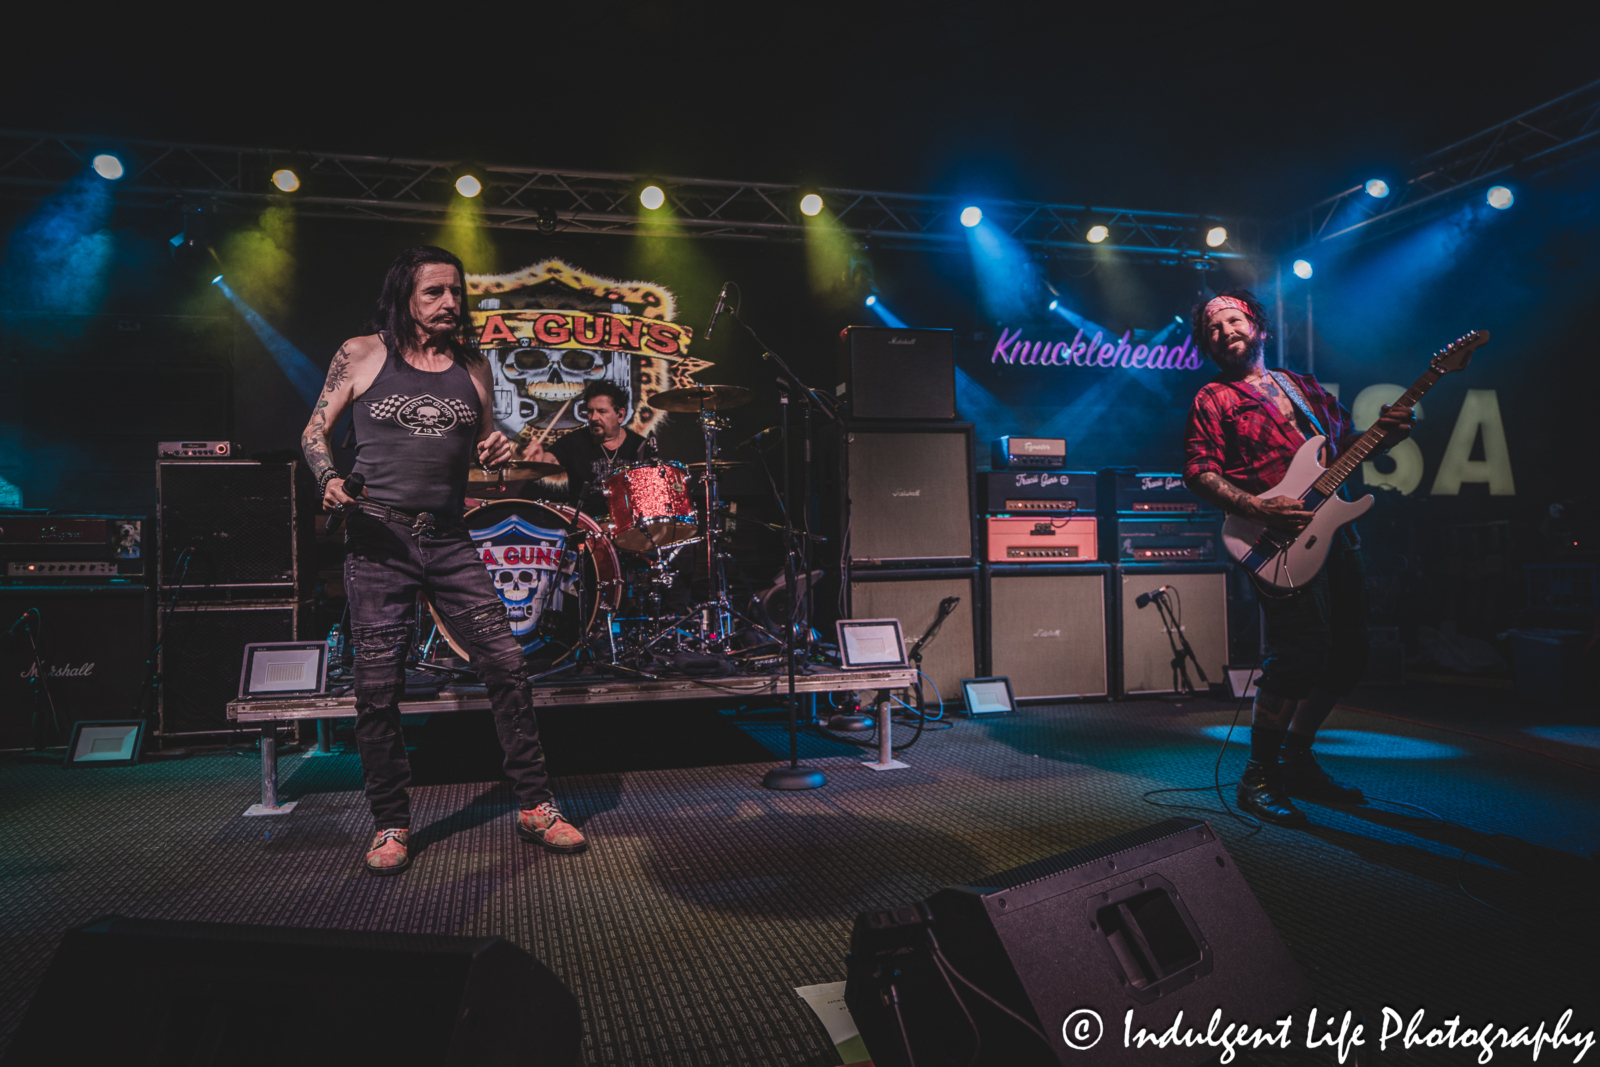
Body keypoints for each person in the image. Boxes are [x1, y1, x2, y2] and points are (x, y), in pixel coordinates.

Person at [302, 246, 586, 875]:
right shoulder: (362, 352)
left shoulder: (474, 365)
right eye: (434, 292)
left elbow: (489, 450)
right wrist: (326, 476)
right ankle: (390, 822)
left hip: (451, 538)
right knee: (378, 687)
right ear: (406, 295)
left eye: (455, 292)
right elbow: (313, 431)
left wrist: (497, 447)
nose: (449, 303)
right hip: (380, 538)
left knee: (508, 666)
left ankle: (536, 805)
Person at [1182, 289, 1415, 827]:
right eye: (1213, 329)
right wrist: (1257, 506)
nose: (1225, 331)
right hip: (1273, 539)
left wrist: (1384, 434)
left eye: (1234, 320)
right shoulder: (1213, 398)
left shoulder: (1302, 386)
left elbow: (1341, 452)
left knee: (1351, 652)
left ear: (1259, 327)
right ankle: (1258, 774)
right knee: (1300, 652)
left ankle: (1298, 757)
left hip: (1335, 534)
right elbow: (1198, 471)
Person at [522, 380, 651, 515]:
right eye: (590, 411)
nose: (594, 417)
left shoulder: (639, 445)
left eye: (602, 411)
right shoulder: (573, 442)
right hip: (585, 525)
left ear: (620, 415)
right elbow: (546, 463)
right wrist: (536, 462)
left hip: (629, 524)